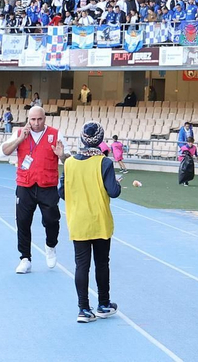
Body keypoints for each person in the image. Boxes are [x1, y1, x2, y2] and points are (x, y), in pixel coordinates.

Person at [62, 122, 121, 323]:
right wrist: (116, 183)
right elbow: (114, 191)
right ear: (100, 139)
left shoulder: (69, 163)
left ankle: (83, 308)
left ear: (82, 139)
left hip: (78, 221)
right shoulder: (104, 163)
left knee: (81, 265)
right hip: (99, 220)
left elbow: (62, 192)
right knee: (102, 264)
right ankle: (103, 304)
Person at [1, 104, 63, 274]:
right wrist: (19, 140)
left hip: (47, 185)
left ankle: (50, 245)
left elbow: (68, 159)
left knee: (52, 220)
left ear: (45, 119)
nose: (36, 123)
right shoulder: (20, 133)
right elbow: (3, 152)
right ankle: (25, 258)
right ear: (28, 119)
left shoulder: (55, 134)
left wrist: (62, 155)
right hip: (25, 184)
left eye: (39, 119)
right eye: (33, 119)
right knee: (22, 222)